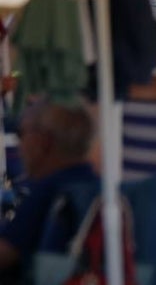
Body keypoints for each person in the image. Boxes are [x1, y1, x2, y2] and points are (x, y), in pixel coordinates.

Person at [0, 102, 97, 282]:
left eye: (20, 134)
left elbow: (4, 253)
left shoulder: (47, 189)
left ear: (43, 141)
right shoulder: (95, 184)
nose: (19, 145)